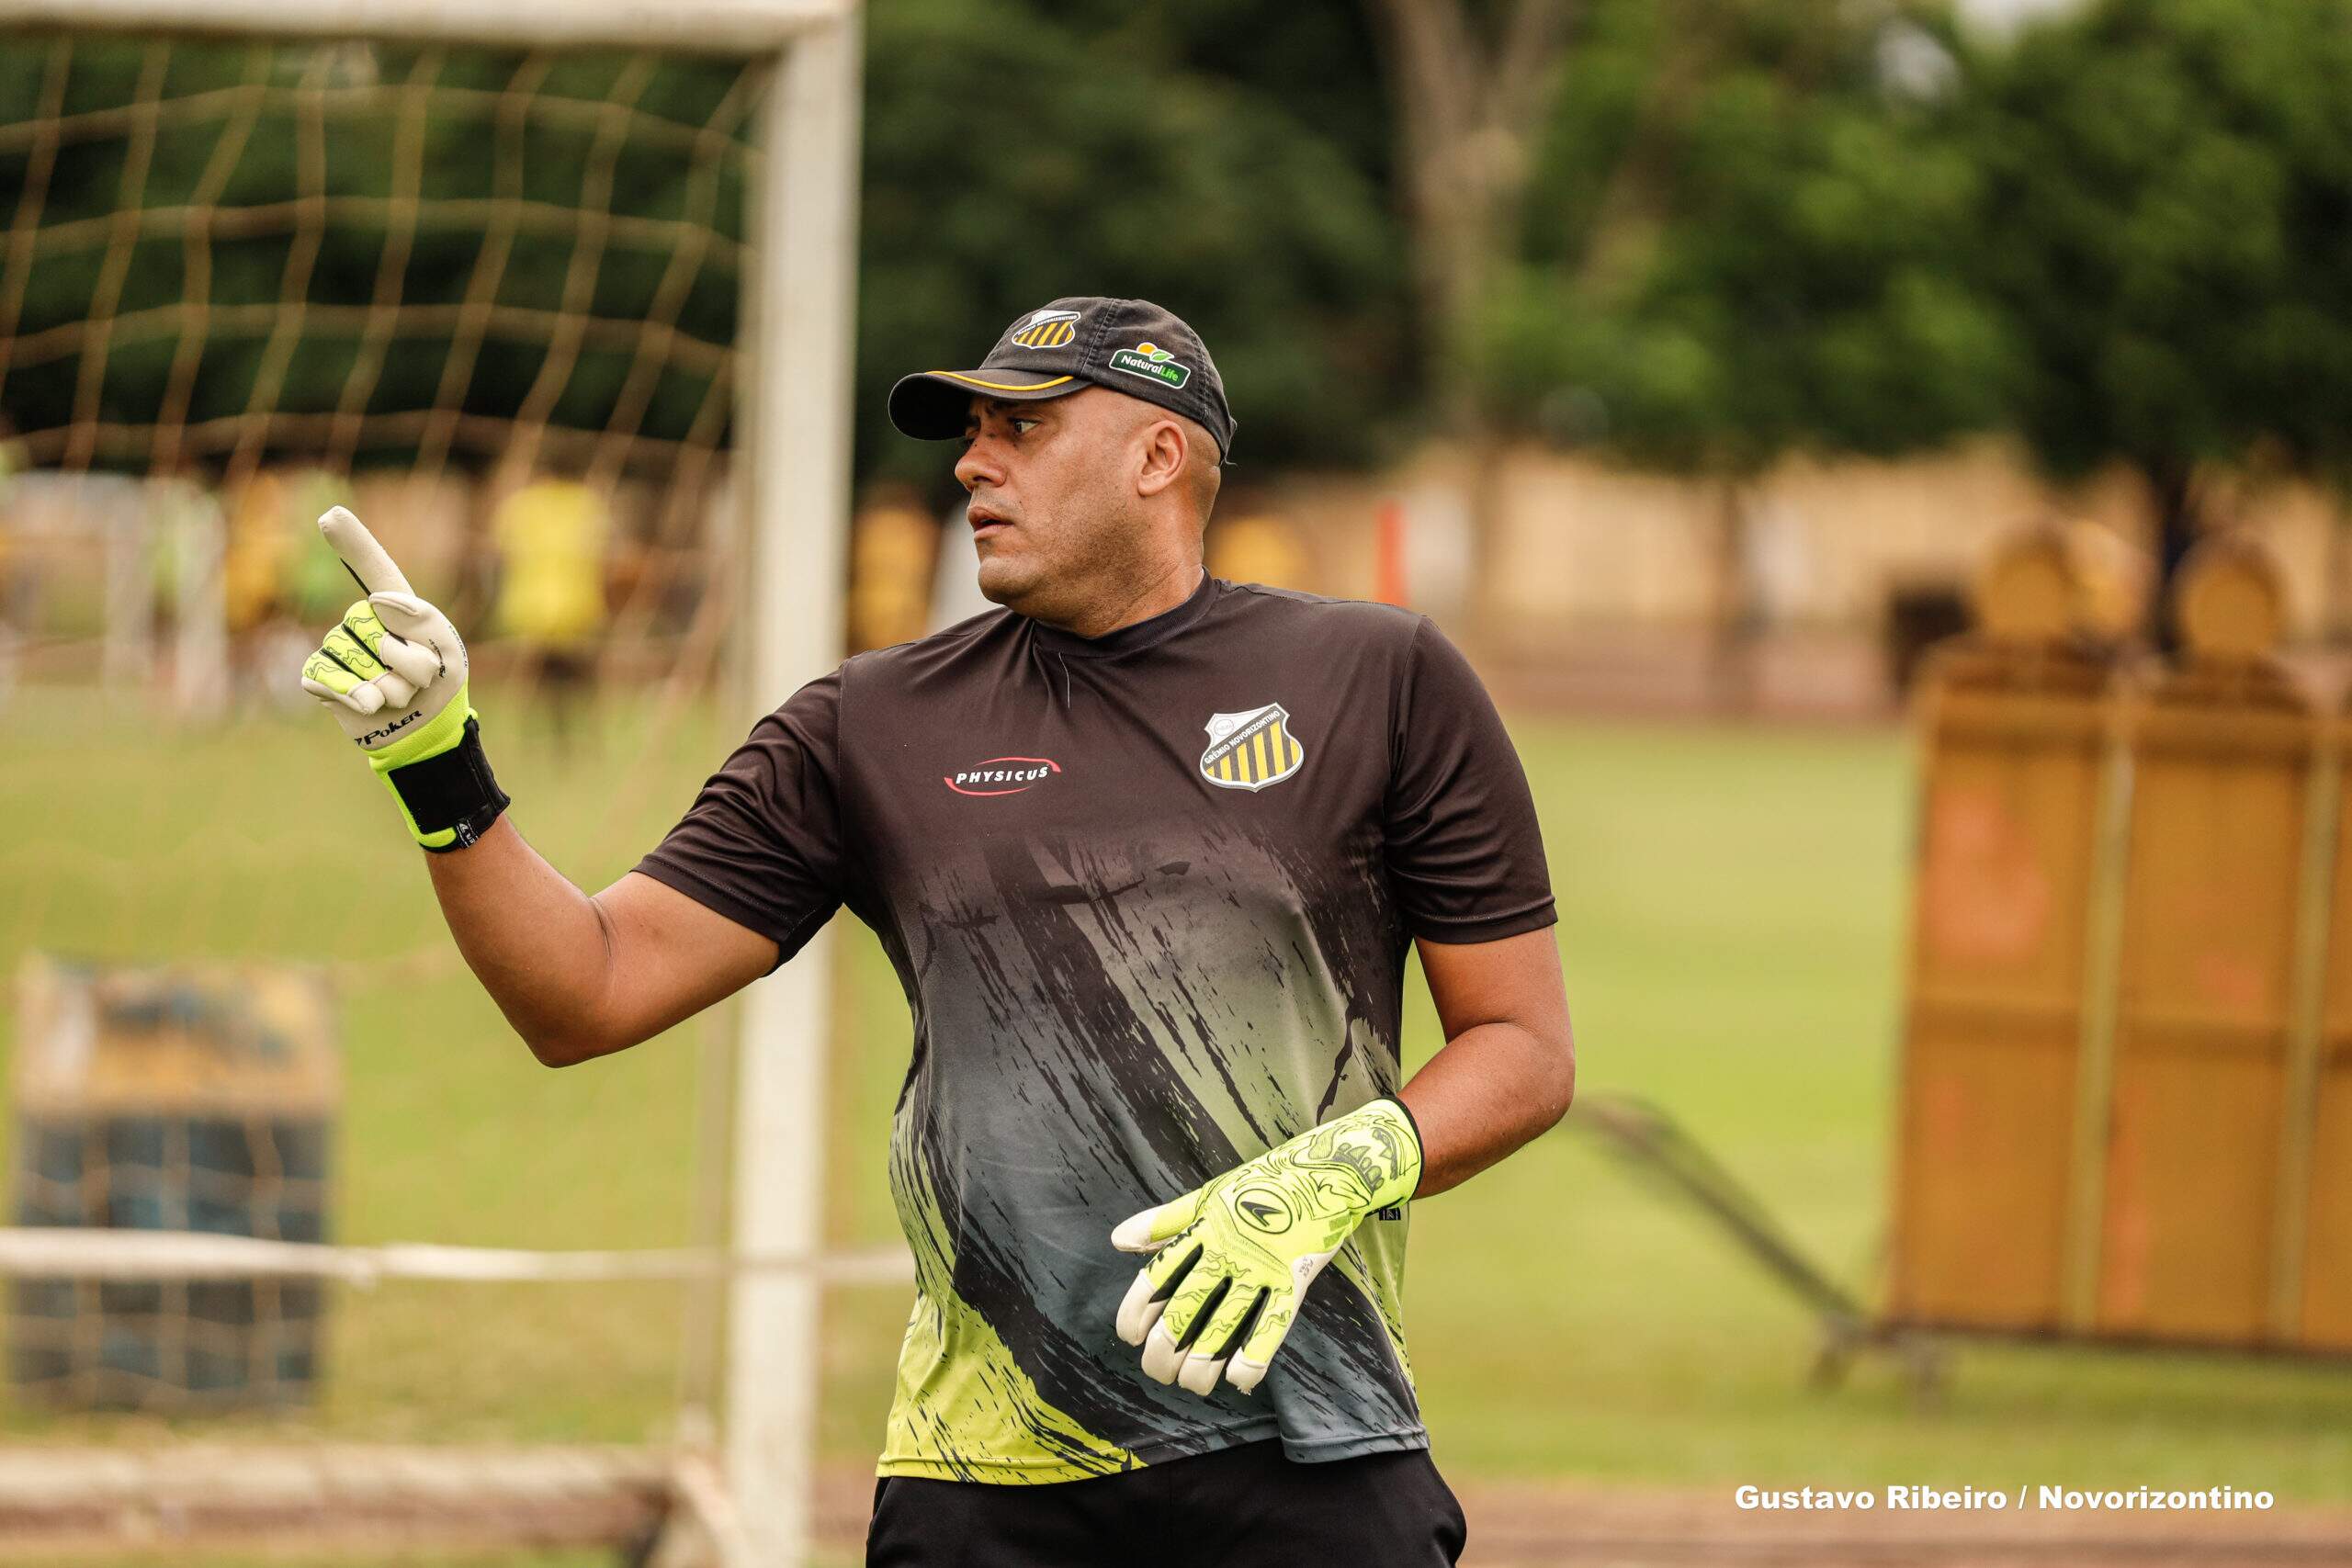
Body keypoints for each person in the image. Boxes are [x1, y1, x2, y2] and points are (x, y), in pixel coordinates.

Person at [295, 296, 1575, 1568]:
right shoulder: (869, 724)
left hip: (1311, 1451)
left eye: (1022, 426)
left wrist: (1334, 1172)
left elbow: (1522, 1046)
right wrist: (437, 766)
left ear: (1157, 456)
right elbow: (588, 993)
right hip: (984, 1477)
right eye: (971, 430)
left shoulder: (1382, 680)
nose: (972, 461)